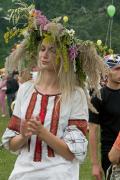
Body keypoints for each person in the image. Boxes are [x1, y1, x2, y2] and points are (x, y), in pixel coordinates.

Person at [2, 6, 105, 180]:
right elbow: (11, 145)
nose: (45, 55)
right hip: (22, 174)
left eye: (53, 51)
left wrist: (43, 133)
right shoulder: (26, 89)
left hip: (59, 174)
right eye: (42, 49)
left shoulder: (75, 94)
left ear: (65, 57)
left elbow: (73, 154)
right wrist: (24, 135)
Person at [89, 54, 120, 179]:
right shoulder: (98, 97)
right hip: (110, 154)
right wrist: (95, 164)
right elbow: (93, 132)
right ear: (107, 71)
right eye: (117, 69)